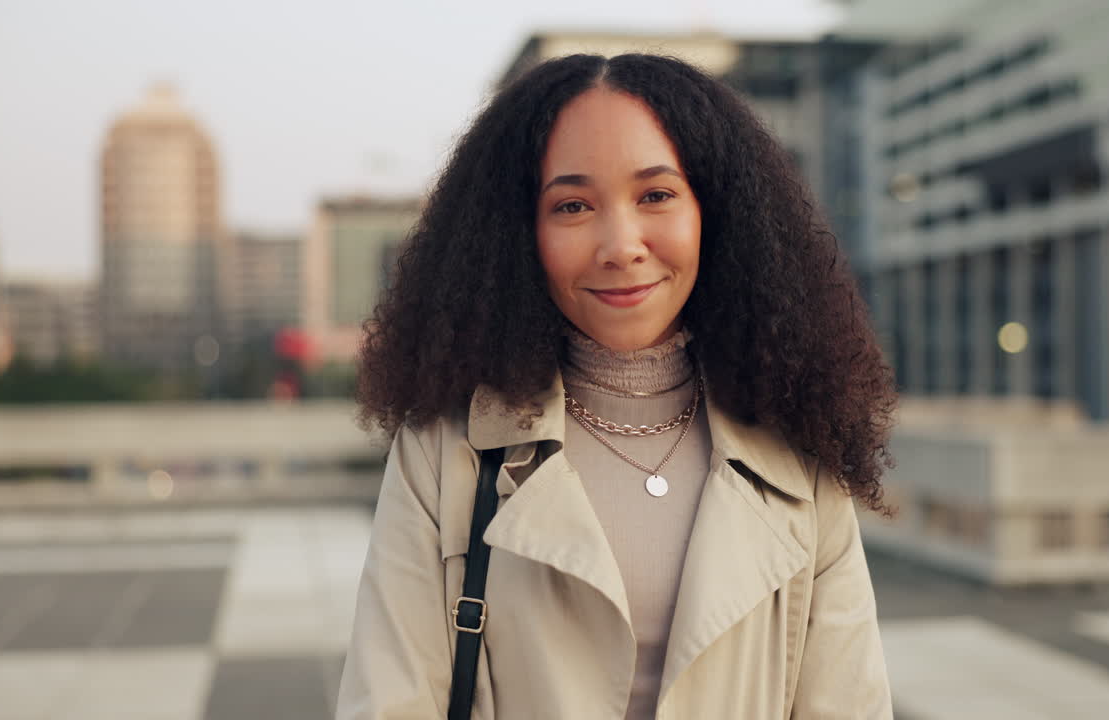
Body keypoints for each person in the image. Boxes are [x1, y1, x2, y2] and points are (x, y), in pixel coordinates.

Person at [338, 52, 898, 720]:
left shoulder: (798, 442)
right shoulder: (443, 449)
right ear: (518, 233)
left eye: (656, 195)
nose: (622, 245)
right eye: (572, 205)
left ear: (715, 211)